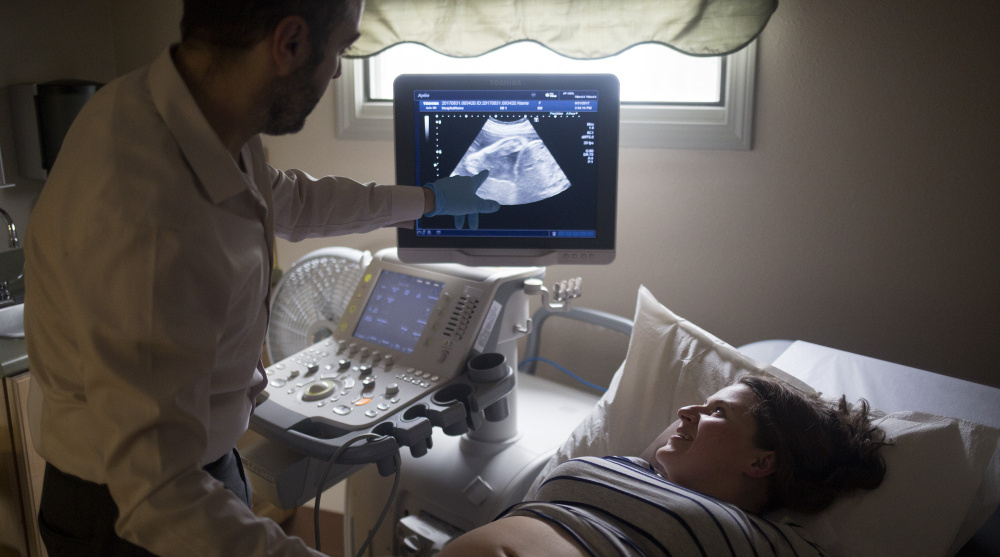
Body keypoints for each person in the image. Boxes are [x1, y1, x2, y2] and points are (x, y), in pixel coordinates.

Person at [23, 1, 497, 556]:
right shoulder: (148, 219)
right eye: (342, 47)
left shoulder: (187, 111)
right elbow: (156, 495)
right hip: (127, 514)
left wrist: (429, 201)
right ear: (289, 43)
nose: (340, 69)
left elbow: (291, 198)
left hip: (202, 461)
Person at [438, 374, 889, 556]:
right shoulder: (631, 465)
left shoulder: (767, 540)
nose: (687, 412)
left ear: (762, 460)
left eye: (718, 412)